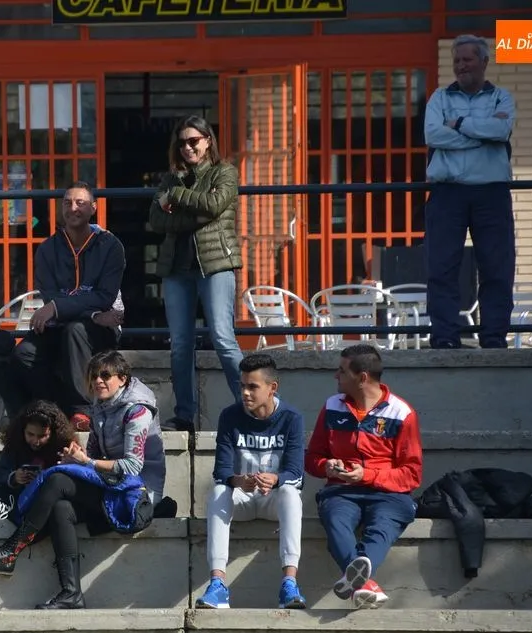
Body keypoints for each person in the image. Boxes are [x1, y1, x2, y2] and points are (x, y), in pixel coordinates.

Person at [0, 350, 164, 610]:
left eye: (105, 375)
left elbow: (132, 467)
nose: (98, 381)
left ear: (123, 379)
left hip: (137, 496)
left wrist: (87, 463)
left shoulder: (137, 411)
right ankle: (71, 593)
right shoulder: (100, 407)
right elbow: (94, 457)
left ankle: (10, 552)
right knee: (61, 507)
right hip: (110, 487)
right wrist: (76, 459)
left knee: (58, 481)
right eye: (93, 376)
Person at [305, 344, 423, 609]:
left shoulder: (401, 412)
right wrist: (326, 466)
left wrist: (367, 475)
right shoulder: (332, 406)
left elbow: (412, 474)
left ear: (362, 377)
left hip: (389, 495)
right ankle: (366, 585)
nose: (336, 375)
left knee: (382, 527)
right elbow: (312, 458)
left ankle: (359, 582)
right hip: (341, 491)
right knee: (335, 519)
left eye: (342, 370)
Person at [149, 115, 244, 433]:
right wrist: (195, 213)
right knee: (180, 344)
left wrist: (176, 198)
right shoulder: (171, 177)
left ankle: (250, 408)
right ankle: (184, 416)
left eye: (194, 141)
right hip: (177, 269)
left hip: (215, 266)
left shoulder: (224, 172)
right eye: (182, 143)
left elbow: (215, 205)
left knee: (223, 338)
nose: (187, 148)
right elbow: (157, 221)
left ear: (208, 141)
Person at [424, 34, 515, 349]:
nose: (461, 66)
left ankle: (494, 338)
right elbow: (433, 135)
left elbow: (501, 130)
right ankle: (445, 338)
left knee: (497, 267)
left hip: (492, 194)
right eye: (457, 60)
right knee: (442, 268)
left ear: (484, 62)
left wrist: (459, 123)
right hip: (447, 194)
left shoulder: (502, 97)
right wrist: (482, 135)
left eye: (468, 59)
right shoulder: (439, 98)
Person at [11, 181, 125, 430]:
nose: (73, 208)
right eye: (67, 203)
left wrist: (58, 308)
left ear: (93, 208)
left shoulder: (110, 246)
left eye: (80, 203)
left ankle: (83, 411)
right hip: (64, 324)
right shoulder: (47, 249)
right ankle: (55, 409)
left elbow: (105, 297)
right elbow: (51, 296)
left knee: (75, 331)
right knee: (24, 353)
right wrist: (90, 312)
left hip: (99, 331)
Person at [196, 354, 306, 610]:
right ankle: (217, 584)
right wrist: (238, 480)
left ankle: (289, 584)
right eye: (242, 386)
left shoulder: (291, 417)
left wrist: (276, 479)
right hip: (242, 498)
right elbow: (221, 471)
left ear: (272, 388)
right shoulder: (230, 415)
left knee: (290, 492)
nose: (245, 393)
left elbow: (296, 473)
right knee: (219, 491)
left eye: (252, 387)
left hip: (273, 500)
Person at [0, 399, 77, 521]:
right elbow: (0, 476)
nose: (36, 441)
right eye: (30, 434)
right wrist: (15, 478)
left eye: (42, 436)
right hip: (19, 497)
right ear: (22, 431)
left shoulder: (64, 447)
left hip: (46, 500)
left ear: (53, 433)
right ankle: (2, 510)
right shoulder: (14, 446)